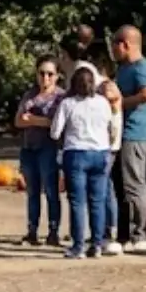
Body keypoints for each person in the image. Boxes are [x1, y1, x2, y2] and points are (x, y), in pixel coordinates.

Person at [51, 64, 115, 259]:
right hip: (100, 152)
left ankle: (78, 245)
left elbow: (55, 132)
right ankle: (97, 244)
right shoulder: (103, 103)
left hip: (76, 152)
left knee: (77, 202)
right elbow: (110, 126)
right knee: (97, 200)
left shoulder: (68, 104)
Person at [110, 26, 146, 252]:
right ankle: (124, 235)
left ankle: (141, 234)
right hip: (122, 134)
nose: (113, 50)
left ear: (125, 44)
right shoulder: (124, 68)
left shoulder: (143, 68)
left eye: (114, 45)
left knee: (134, 185)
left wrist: (121, 103)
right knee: (121, 186)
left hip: (136, 134)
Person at [14, 58, 65, 247]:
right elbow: (18, 121)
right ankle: (32, 230)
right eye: (41, 73)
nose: (45, 78)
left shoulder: (61, 98)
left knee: (51, 191)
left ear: (57, 76)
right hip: (29, 147)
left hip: (49, 148)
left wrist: (33, 119)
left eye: (50, 74)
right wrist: (39, 121)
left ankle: (53, 231)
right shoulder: (30, 95)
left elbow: (57, 124)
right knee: (32, 191)